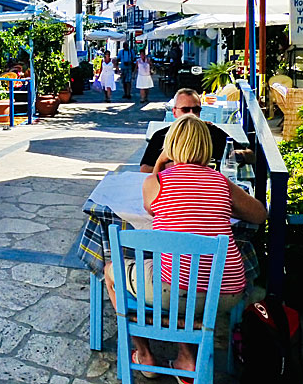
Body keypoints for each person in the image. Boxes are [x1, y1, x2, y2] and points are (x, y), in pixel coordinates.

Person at [104, 114, 267, 377]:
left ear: (171, 146)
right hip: (226, 293)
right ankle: (186, 358)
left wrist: (159, 163)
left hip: (172, 291)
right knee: (184, 274)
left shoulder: (157, 182)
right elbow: (260, 214)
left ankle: (145, 355)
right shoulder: (222, 182)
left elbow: (149, 206)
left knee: (112, 270)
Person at [139, 88, 253, 173]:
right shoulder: (162, 136)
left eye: (196, 109)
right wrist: (169, 166)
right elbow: (144, 169)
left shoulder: (211, 132)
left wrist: (235, 156)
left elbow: (251, 155)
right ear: (174, 112)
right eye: (185, 109)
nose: (191, 114)